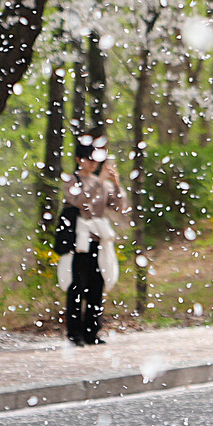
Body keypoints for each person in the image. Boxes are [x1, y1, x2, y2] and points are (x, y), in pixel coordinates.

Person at [59, 140, 127, 346]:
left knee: (97, 286)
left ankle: (92, 331)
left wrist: (116, 183)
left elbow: (119, 206)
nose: (94, 165)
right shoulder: (73, 181)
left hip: (99, 240)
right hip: (79, 241)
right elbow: (80, 201)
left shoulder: (104, 184)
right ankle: (75, 332)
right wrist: (99, 182)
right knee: (77, 286)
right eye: (90, 160)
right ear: (80, 160)